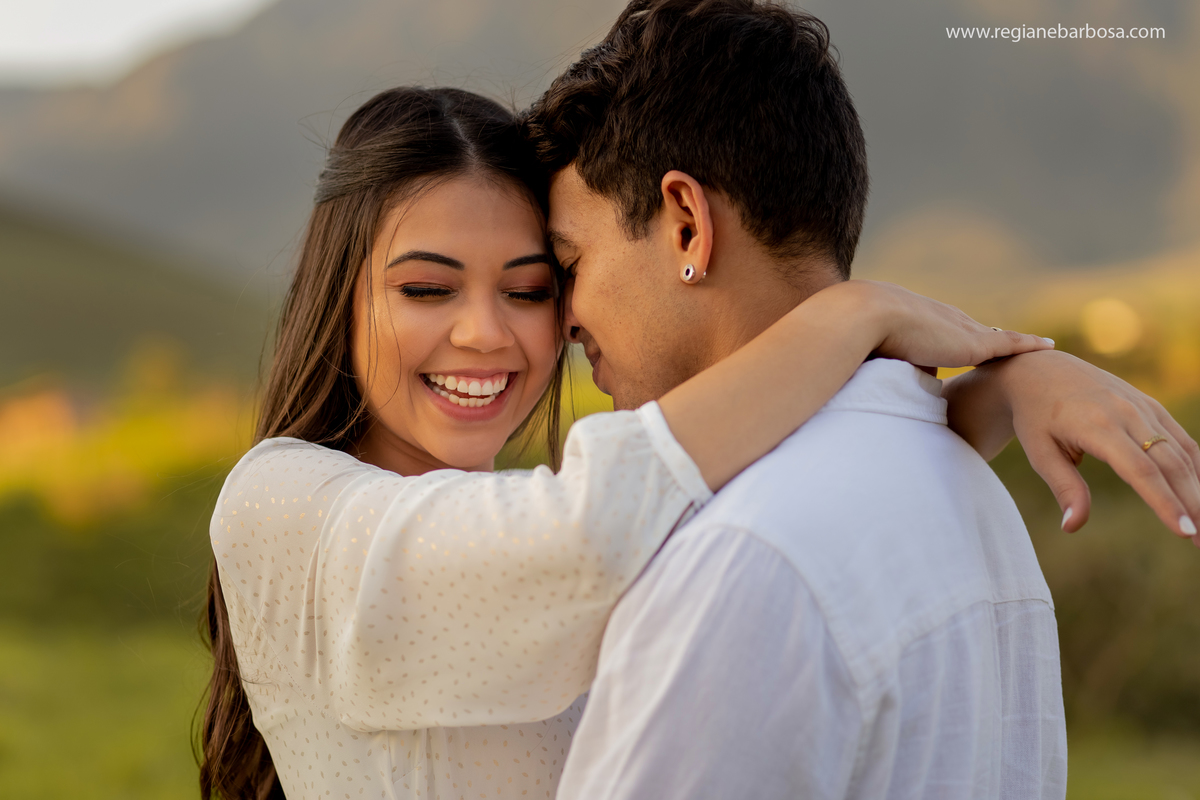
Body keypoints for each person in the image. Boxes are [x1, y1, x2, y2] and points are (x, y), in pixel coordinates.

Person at [198, 87, 1199, 800]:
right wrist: (852, 313)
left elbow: (777, 490)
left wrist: (1004, 383)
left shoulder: (561, 508)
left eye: (534, 286)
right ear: (340, 298)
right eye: (427, 288)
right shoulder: (279, 501)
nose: (486, 334)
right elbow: (591, 528)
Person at [520, 2, 1200, 798]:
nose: (563, 317)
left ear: (685, 225)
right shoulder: (975, 499)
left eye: (572, 263)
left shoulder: (748, 558)